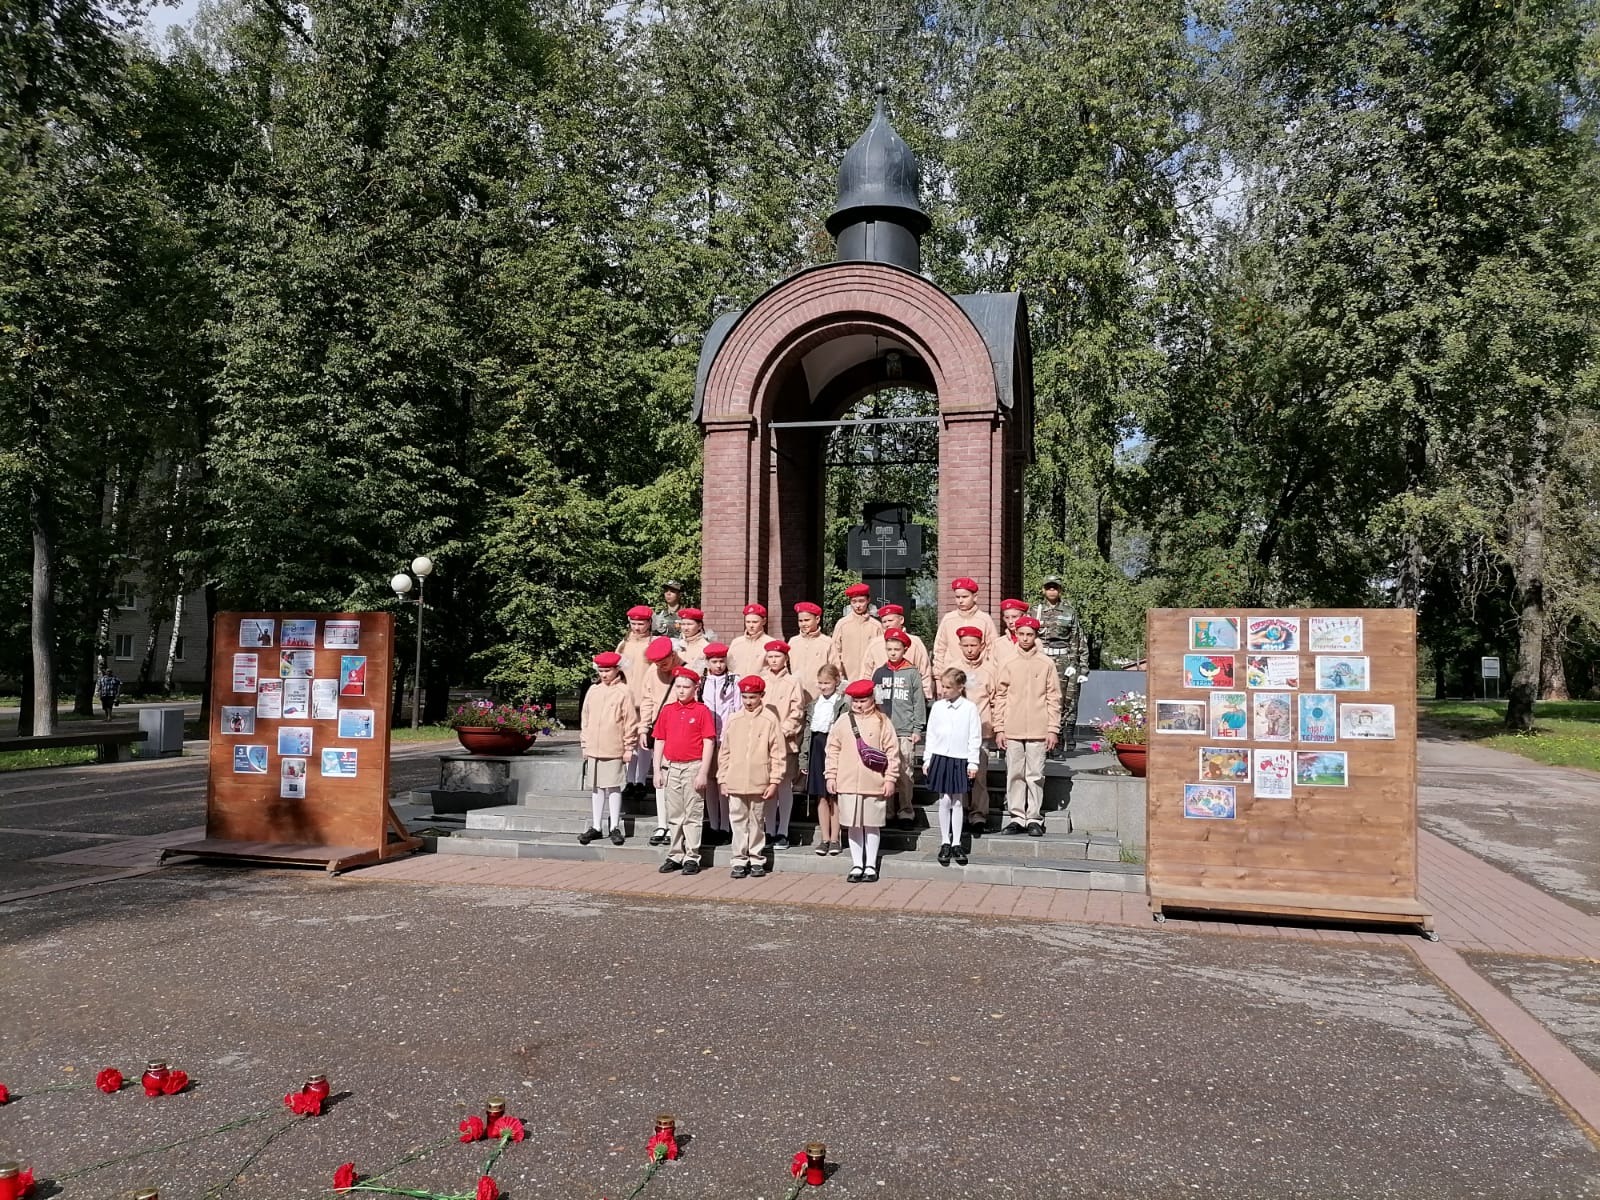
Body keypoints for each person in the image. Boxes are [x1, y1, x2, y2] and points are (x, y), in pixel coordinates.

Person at [826, 678, 900, 883]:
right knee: (853, 825)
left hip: (874, 782)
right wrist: (831, 775)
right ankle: (857, 863)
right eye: (855, 700)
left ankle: (871, 864)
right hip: (848, 782)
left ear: (872, 699)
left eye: (863, 700)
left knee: (871, 824)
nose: (858, 704)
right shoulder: (842, 721)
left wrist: (890, 779)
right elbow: (832, 750)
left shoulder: (882, 721)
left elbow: (892, 752)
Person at [992, 615, 1061, 837]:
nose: (1024, 638)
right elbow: (1000, 697)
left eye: (1029, 634)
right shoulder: (1008, 663)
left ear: (1035, 636)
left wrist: (1053, 728)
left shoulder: (1046, 663)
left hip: (1039, 729)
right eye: (1021, 634)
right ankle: (1016, 817)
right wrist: (999, 727)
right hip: (1012, 728)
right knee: (1014, 773)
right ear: (1016, 635)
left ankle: (1033, 817)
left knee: (1035, 774)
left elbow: (1054, 697)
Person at [717, 675, 786, 879]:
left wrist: (774, 780)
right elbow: (725, 751)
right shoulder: (734, 719)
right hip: (736, 779)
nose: (748, 702)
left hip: (759, 780)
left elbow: (778, 752)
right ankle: (739, 859)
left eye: (753, 697)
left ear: (761, 696)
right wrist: (722, 778)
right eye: (745, 697)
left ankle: (756, 857)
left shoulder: (770, 719)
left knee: (756, 820)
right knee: (737, 820)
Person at [651, 666, 715, 875]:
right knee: (675, 813)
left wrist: (703, 772)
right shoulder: (668, 710)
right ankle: (675, 854)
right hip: (671, 766)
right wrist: (657, 770)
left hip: (693, 766)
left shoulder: (701, 711)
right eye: (678, 686)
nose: (681, 690)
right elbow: (660, 740)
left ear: (695, 688)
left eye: (686, 687)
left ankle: (692, 856)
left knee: (693, 813)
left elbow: (708, 742)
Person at [578, 651, 636, 846]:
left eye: (607, 670)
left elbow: (630, 722)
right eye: (601, 671)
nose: (604, 675)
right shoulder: (594, 690)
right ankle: (596, 825)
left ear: (616, 670)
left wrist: (628, 747)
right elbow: (585, 718)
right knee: (596, 786)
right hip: (594, 747)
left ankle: (614, 826)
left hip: (614, 747)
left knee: (613, 786)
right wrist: (584, 743)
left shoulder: (624, 692)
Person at [924, 668, 981, 866]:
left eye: (948, 687)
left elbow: (975, 736)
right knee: (944, 799)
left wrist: (973, 761)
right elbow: (931, 734)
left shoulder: (969, 708)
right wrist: (927, 759)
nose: (944, 691)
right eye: (942, 686)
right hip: (940, 756)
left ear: (960, 688)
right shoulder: (938, 707)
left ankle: (957, 842)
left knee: (958, 800)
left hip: (960, 758)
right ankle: (945, 841)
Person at [871, 629, 927, 829]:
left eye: (897, 649)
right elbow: (874, 701)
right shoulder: (879, 672)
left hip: (904, 730)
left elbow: (918, 702)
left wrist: (917, 728)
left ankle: (906, 811)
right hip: (884, 730)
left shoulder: (912, 673)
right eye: (889, 649)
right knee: (884, 770)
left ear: (905, 649)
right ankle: (887, 811)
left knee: (905, 771)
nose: (893, 652)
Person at [1034, 576, 1089, 754]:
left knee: (1066, 699)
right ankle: (1046, 741)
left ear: (1060, 590)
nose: (1052, 591)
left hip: (1064, 659)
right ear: (1043, 590)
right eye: (1048, 587)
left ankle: (1062, 739)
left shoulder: (1069, 611)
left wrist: (1079, 665)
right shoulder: (1036, 611)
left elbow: (1077, 639)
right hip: (1042, 659)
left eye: (1055, 587)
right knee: (1042, 699)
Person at [636, 636, 681, 846]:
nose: (660, 667)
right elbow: (647, 701)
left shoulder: (686, 669)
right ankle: (662, 823)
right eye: (656, 664)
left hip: (682, 730)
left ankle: (676, 825)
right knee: (660, 778)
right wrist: (644, 727)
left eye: (663, 663)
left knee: (678, 780)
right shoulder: (651, 673)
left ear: (673, 656)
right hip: (659, 730)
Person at [760, 639, 804, 849]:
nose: (773, 660)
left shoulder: (793, 681)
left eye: (777, 656)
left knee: (784, 786)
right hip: (764, 742)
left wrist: (784, 730)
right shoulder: (761, 680)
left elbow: (797, 711)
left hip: (786, 742)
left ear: (785, 658)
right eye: (770, 656)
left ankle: (783, 830)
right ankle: (768, 829)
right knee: (769, 786)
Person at [799, 663, 848, 856]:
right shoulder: (814, 705)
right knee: (820, 795)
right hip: (817, 747)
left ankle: (836, 838)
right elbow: (807, 734)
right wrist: (804, 759)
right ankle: (824, 838)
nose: (823, 687)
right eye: (820, 683)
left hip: (834, 748)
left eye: (826, 683)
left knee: (833, 795)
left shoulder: (843, 704)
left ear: (836, 682)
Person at [957, 627, 999, 832]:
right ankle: (960, 812)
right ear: (960, 646)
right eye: (965, 645)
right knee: (959, 773)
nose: (970, 650)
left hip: (981, 730)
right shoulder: (954, 669)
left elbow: (996, 700)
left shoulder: (990, 670)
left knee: (979, 774)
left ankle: (979, 814)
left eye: (974, 645)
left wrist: (997, 727)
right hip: (958, 732)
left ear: (982, 646)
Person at [698, 643, 738, 845]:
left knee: (724, 782)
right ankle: (713, 824)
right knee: (711, 783)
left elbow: (737, 708)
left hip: (726, 738)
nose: (719, 665)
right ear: (707, 663)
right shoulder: (702, 682)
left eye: (722, 661)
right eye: (714, 662)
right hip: (707, 739)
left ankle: (726, 825)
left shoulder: (734, 681)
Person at [863, 603, 934, 698]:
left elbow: (924, 670)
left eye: (890, 620)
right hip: (881, 696)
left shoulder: (915, 642)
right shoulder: (874, 644)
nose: (887, 624)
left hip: (907, 696)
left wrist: (926, 695)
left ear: (901, 620)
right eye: (884, 622)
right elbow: (866, 672)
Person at [932, 577, 998, 676]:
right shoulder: (948, 619)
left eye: (964, 597)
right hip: (952, 675)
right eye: (957, 597)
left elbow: (993, 649)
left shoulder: (984, 620)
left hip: (979, 674)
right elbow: (939, 649)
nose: (960, 601)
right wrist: (938, 676)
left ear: (975, 597)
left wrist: (989, 672)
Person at [829, 582, 882, 681]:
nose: (857, 605)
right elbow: (834, 652)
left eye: (861, 601)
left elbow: (881, 653)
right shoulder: (842, 624)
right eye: (854, 601)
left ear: (868, 600)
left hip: (870, 679)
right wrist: (839, 676)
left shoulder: (876, 626)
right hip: (847, 678)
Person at [787, 602, 833, 705]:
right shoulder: (793, 642)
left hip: (820, 697)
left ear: (817, 619)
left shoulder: (827, 642)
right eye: (800, 621)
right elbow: (785, 667)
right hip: (797, 696)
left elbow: (835, 670)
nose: (803, 624)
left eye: (807, 620)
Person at [727, 603, 771, 679]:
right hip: (738, 687)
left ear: (764, 621)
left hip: (761, 688)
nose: (751, 626)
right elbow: (728, 667)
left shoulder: (770, 643)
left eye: (755, 622)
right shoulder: (736, 642)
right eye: (748, 622)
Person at [989, 598, 1029, 666]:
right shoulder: (998, 643)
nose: (1010, 621)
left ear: (1023, 616)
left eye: (1014, 617)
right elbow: (993, 668)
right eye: (1007, 617)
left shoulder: (1033, 641)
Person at [677, 607, 714, 674]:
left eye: (689, 624)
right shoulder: (678, 645)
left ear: (699, 626)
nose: (686, 628)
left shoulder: (705, 647)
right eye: (683, 624)